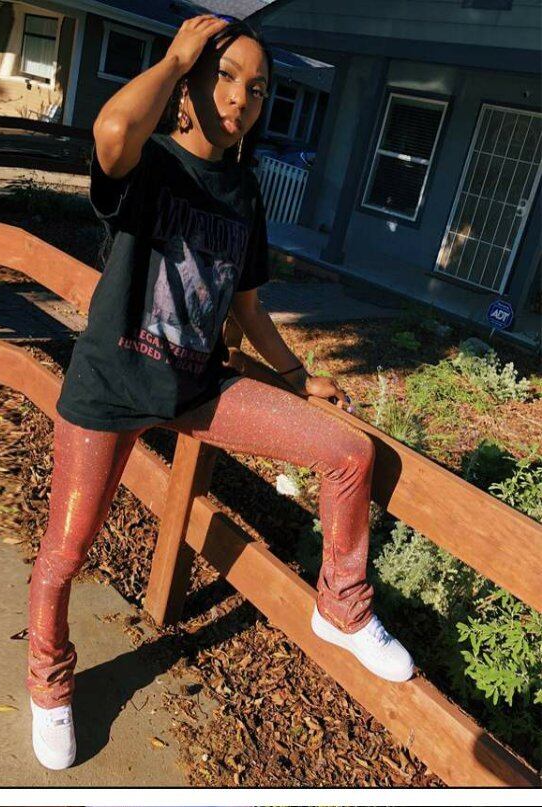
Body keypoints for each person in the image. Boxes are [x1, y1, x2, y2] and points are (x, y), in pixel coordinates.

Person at [26, 14, 414, 771]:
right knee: (66, 552)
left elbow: (246, 308)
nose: (241, 98)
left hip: (196, 386)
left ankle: (341, 604)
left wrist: (297, 376)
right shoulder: (151, 165)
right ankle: (49, 680)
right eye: (225, 77)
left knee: (347, 452)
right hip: (109, 387)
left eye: (258, 88)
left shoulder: (244, 192)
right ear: (189, 87)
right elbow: (111, 129)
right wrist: (175, 58)